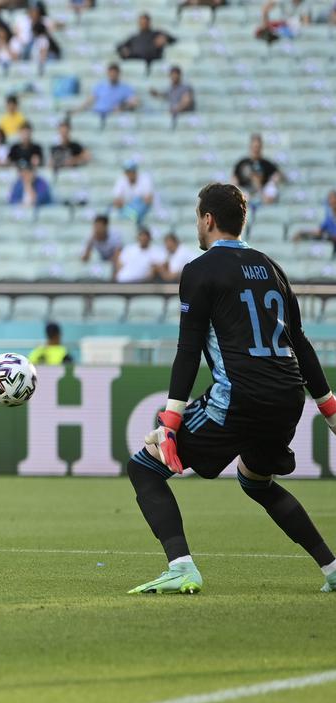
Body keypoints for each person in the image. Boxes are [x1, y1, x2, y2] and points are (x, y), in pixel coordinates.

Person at [126, 183, 336, 595]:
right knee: (256, 481)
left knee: (145, 467)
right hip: (289, 396)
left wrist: (170, 420)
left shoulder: (199, 270)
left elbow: (188, 351)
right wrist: (328, 407)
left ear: (207, 219)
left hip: (239, 397)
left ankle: (181, 567)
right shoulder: (272, 267)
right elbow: (301, 342)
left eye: (197, 219)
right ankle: (331, 567)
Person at [232, 133, 282, 206]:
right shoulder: (242, 163)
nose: (256, 149)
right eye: (254, 147)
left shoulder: (266, 164)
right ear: (250, 147)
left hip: (262, 192)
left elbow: (277, 175)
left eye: (258, 147)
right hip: (246, 191)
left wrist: (273, 181)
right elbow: (234, 179)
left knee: (271, 190)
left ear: (261, 147)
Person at [112, 160, 155, 224]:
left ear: (135, 171)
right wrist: (132, 211)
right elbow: (116, 202)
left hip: (143, 210)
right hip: (127, 210)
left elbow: (149, 200)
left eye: (132, 171)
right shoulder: (121, 180)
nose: (130, 174)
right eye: (128, 171)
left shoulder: (145, 179)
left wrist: (135, 203)